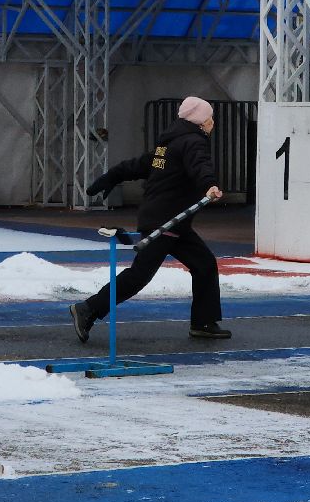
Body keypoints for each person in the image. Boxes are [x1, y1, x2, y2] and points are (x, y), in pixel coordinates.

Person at [69, 96, 230, 341]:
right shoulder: (193, 141)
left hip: (174, 221)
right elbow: (200, 165)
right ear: (200, 121)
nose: (212, 122)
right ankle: (88, 309)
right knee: (139, 275)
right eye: (209, 117)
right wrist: (210, 185)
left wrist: (111, 176)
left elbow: (141, 164)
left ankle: (204, 322)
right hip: (165, 221)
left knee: (205, 264)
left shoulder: (169, 144)